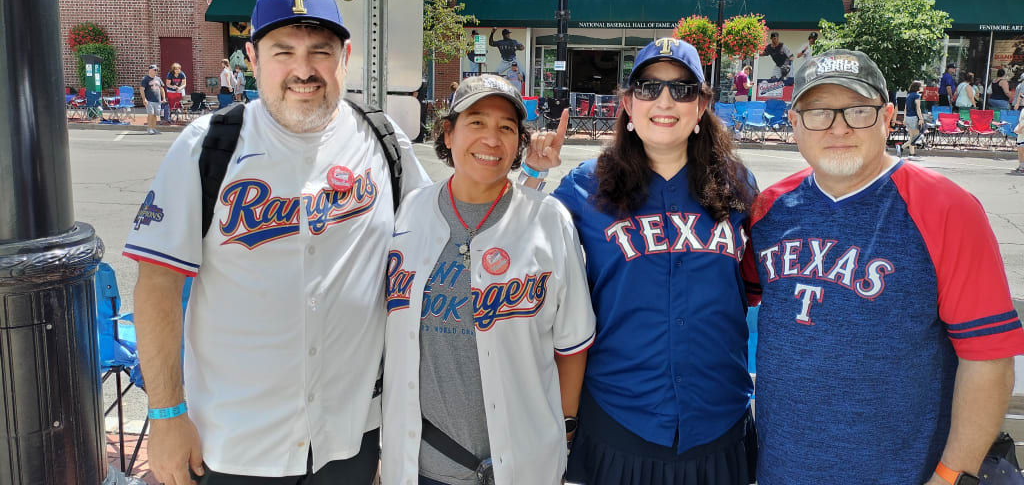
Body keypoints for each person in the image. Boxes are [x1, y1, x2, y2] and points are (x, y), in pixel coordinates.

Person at [125, 0, 430, 485]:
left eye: (320, 52)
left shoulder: (383, 141)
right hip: (233, 440)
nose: (303, 70)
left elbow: (430, 242)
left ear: (345, 57)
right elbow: (157, 285)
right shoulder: (208, 146)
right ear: (252, 58)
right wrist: (165, 415)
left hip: (351, 433)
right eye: (283, 52)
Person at [749, 49, 1024, 484]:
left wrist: (951, 476)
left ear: (887, 117)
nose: (839, 127)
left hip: (904, 473)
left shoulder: (946, 208)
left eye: (858, 110)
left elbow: (989, 358)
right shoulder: (769, 209)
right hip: (782, 469)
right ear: (794, 122)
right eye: (818, 112)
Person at [525, 37, 759, 484]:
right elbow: (519, 244)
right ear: (628, 105)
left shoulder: (736, 183)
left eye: (682, 89)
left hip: (717, 419)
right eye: (649, 88)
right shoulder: (586, 186)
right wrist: (534, 173)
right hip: (621, 417)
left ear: (702, 106)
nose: (665, 101)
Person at [381, 75, 596, 485]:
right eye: (476, 122)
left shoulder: (549, 220)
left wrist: (565, 429)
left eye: (506, 128)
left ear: (518, 142)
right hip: (421, 464)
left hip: (523, 463)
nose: (492, 139)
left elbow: (572, 344)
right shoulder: (410, 211)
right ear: (448, 132)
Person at [897, 80, 924, 160]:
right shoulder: (917, 95)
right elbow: (918, 108)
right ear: (918, 87)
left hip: (908, 118)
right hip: (913, 117)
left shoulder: (908, 95)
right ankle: (901, 147)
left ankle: (912, 154)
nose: (922, 87)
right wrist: (921, 118)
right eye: (921, 86)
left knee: (912, 137)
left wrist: (904, 119)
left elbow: (905, 108)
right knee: (916, 137)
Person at [139, 63, 165, 135]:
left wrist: (164, 98)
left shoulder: (158, 79)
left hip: (157, 100)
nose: (156, 71)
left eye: (157, 70)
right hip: (149, 100)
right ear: (150, 70)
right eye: (154, 70)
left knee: (155, 115)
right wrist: (144, 99)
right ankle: (149, 128)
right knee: (151, 114)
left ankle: (153, 128)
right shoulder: (145, 79)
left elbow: (162, 89)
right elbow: (141, 89)